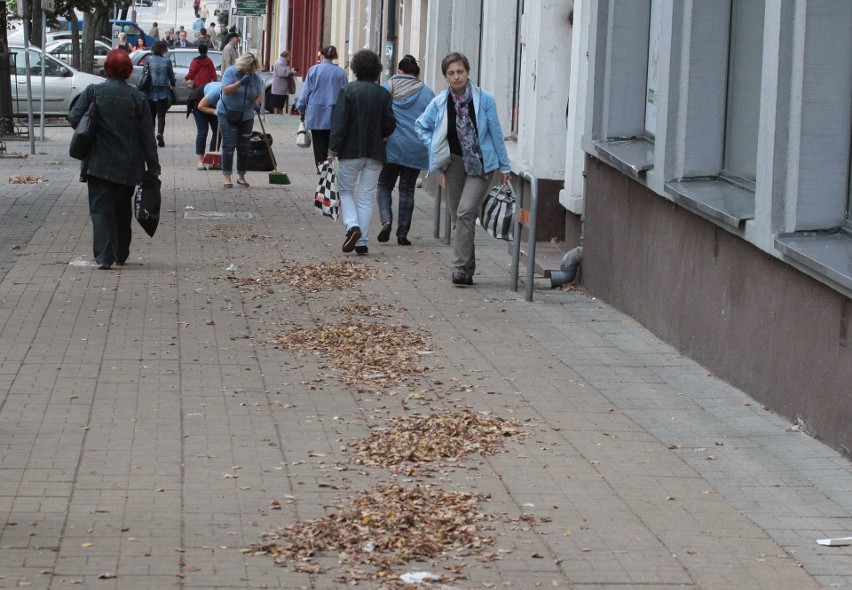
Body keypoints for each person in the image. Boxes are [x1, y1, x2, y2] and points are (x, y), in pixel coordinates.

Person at [415, 52, 511, 287]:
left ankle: (458, 268)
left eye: (460, 71)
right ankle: (467, 270)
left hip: (481, 163)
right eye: (451, 73)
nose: (456, 76)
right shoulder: (440, 102)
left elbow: (496, 133)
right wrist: (437, 146)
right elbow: (421, 126)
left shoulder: (484, 99)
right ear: (445, 77)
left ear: (468, 72)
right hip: (454, 163)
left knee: (466, 211)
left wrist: (505, 165)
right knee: (459, 218)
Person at [67, 49, 160, 270]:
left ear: (106, 69)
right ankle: (121, 252)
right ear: (128, 71)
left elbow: (73, 119)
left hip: (98, 164)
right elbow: (148, 136)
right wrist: (154, 167)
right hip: (128, 166)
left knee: (100, 210)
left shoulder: (94, 92)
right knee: (122, 209)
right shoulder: (138, 97)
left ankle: (103, 258)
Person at [327, 49, 396, 255]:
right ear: (377, 69)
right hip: (375, 152)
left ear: (355, 68)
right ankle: (362, 242)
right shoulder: (383, 94)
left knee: (346, 191)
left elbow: (339, 123)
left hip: (350, 151)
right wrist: (381, 134)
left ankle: (352, 226)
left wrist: (332, 149)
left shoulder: (347, 91)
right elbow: (390, 124)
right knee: (366, 196)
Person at [376, 55, 434, 246]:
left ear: (399, 71)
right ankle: (403, 234)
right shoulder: (427, 93)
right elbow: (434, 122)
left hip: (391, 147)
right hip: (416, 148)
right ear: (417, 74)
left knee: (384, 185)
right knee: (407, 190)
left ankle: (386, 220)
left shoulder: (387, 88)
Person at [296, 45, 348, 172]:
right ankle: (330, 165)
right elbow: (346, 92)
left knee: (319, 141)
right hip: (335, 112)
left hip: (316, 112)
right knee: (332, 140)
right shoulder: (341, 72)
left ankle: (321, 167)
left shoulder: (314, 70)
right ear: (334, 57)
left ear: (322, 56)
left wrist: (301, 106)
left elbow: (306, 91)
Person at [217, 52, 262, 188]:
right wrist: (240, 83)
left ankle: (241, 176)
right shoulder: (230, 72)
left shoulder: (255, 78)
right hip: (227, 113)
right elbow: (226, 90)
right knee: (229, 145)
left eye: (252, 68)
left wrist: (256, 104)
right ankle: (227, 177)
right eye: (248, 67)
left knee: (244, 146)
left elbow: (258, 94)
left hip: (246, 115)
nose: (250, 70)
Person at [143, 41, 176, 148]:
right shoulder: (167, 61)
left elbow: (144, 74)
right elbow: (171, 76)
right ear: (163, 49)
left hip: (150, 91)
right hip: (163, 91)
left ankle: (151, 138)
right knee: (161, 115)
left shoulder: (148, 60)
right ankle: (160, 134)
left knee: (151, 115)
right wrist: (173, 82)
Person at [193, 80, 222, 169]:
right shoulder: (217, 91)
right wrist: (215, 111)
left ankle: (213, 160)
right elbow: (201, 106)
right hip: (199, 101)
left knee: (218, 131)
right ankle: (200, 161)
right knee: (203, 130)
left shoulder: (233, 94)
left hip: (213, 105)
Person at [270, 50, 296, 115]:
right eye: (288, 57)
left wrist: (290, 71)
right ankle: (276, 115)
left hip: (282, 88)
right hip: (278, 88)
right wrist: (291, 72)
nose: (289, 59)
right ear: (285, 56)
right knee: (276, 104)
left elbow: (286, 70)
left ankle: (280, 115)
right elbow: (281, 73)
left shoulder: (284, 63)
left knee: (281, 104)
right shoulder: (279, 63)